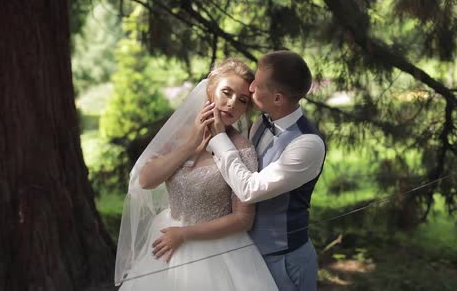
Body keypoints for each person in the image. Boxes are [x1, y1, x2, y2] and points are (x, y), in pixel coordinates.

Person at [115, 58, 277, 290]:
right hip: (165, 239)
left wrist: (184, 234)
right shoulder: (179, 134)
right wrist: (191, 145)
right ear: (210, 90)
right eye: (226, 92)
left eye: (242, 100)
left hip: (214, 249)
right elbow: (146, 180)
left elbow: (243, 219)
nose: (232, 103)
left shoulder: (242, 149)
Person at [207, 50, 326, 291]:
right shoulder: (261, 122)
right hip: (244, 254)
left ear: (278, 98)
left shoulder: (307, 144)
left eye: (257, 85)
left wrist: (219, 138)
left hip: (284, 260)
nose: (250, 89)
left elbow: (249, 189)